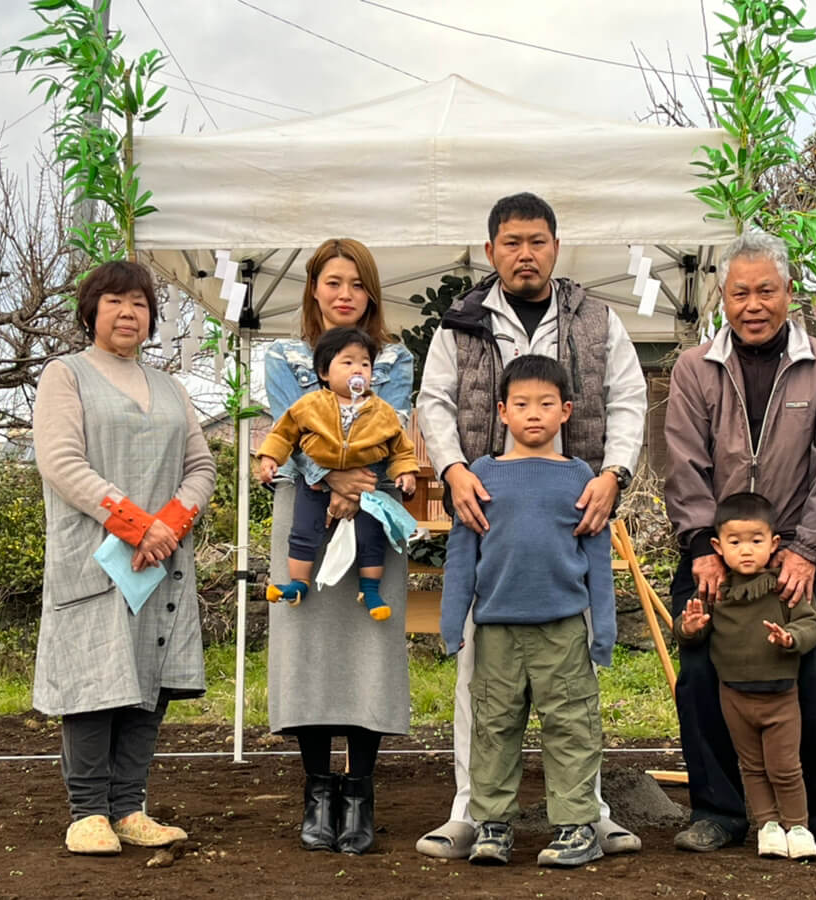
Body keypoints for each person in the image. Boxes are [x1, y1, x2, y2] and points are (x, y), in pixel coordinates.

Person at [416, 192, 647, 858]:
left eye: (537, 241)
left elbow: (628, 400)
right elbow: (433, 404)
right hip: (485, 508)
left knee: (574, 691)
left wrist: (614, 475)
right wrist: (455, 471)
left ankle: (588, 814)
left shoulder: (598, 320)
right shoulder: (459, 324)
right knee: (481, 690)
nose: (525, 253)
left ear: (556, 246)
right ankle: (473, 814)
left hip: (572, 509)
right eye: (511, 242)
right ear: (491, 251)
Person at [663, 231, 816, 862]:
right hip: (715, 556)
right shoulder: (695, 367)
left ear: (788, 293)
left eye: (767, 291)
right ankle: (720, 810)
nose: (753, 304)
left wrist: (805, 550)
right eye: (739, 292)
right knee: (701, 675)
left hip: (806, 556)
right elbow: (682, 462)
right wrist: (703, 546)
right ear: (722, 299)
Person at [32, 260, 216, 855]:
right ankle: (87, 812)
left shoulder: (171, 388)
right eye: (114, 301)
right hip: (96, 556)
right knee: (95, 677)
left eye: (139, 302)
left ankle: (129, 806)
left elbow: (201, 467)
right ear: (92, 311)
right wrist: (135, 525)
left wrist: (167, 525)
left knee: (148, 679)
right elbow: (61, 463)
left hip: (159, 560)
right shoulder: (66, 376)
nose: (128, 312)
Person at [259, 238, 414, 855]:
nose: (344, 294)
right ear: (313, 289)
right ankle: (318, 791)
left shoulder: (395, 359)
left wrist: (354, 487)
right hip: (303, 517)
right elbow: (285, 431)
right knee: (311, 650)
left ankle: (361, 793)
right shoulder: (282, 354)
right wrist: (333, 481)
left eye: (356, 283)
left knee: (366, 646)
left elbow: (389, 429)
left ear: (370, 294)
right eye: (333, 282)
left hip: (373, 514)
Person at [440, 354, 616, 868]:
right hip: (495, 628)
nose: (533, 414)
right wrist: (454, 625)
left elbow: (598, 560)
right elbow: (461, 554)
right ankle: (492, 825)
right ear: (501, 411)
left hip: (562, 628)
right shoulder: (479, 476)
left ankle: (576, 827)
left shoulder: (580, 477)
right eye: (521, 404)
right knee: (493, 727)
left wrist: (602, 630)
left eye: (545, 404)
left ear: (566, 412)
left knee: (572, 726)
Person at [673, 491, 816, 860]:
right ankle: (768, 825)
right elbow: (691, 630)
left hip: (780, 695)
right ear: (716, 545)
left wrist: (791, 639)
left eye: (756, 541)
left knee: (785, 767)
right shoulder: (714, 590)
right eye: (735, 542)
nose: (745, 551)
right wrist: (690, 627)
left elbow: (813, 623)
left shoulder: (784, 586)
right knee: (753, 768)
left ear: (773, 543)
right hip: (734, 695)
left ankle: (798, 825)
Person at [258, 326, 418, 620]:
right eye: (347, 362)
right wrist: (270, 457)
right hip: (315, 482)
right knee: (304, 531)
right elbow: (283, 433)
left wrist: (406, 471)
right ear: (324, 373)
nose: (358, 369)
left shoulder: (380, 410)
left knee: (372, 537)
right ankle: (298, 583)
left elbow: (400, 446)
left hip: (368, 487)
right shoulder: (311, 405)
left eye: (365, 363)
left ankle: (370, 589)